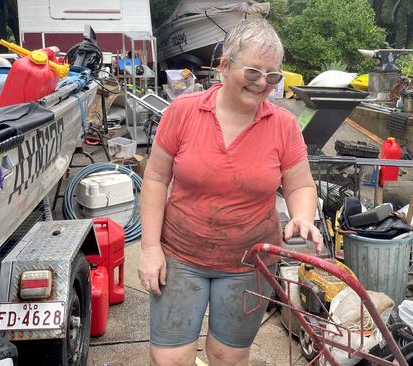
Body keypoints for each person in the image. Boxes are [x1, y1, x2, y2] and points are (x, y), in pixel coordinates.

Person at [138, 19, 323, 366]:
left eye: (272, 76)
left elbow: (300, 184)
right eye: (253, 71)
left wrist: (302, 216)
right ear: (224, 66)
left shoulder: (283, 125)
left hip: (248, 263)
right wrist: (149, 249)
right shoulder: (183, 112)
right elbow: (155, 180)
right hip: (180, 255)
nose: (262, 84)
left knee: (228, 357)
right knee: (169, 359)